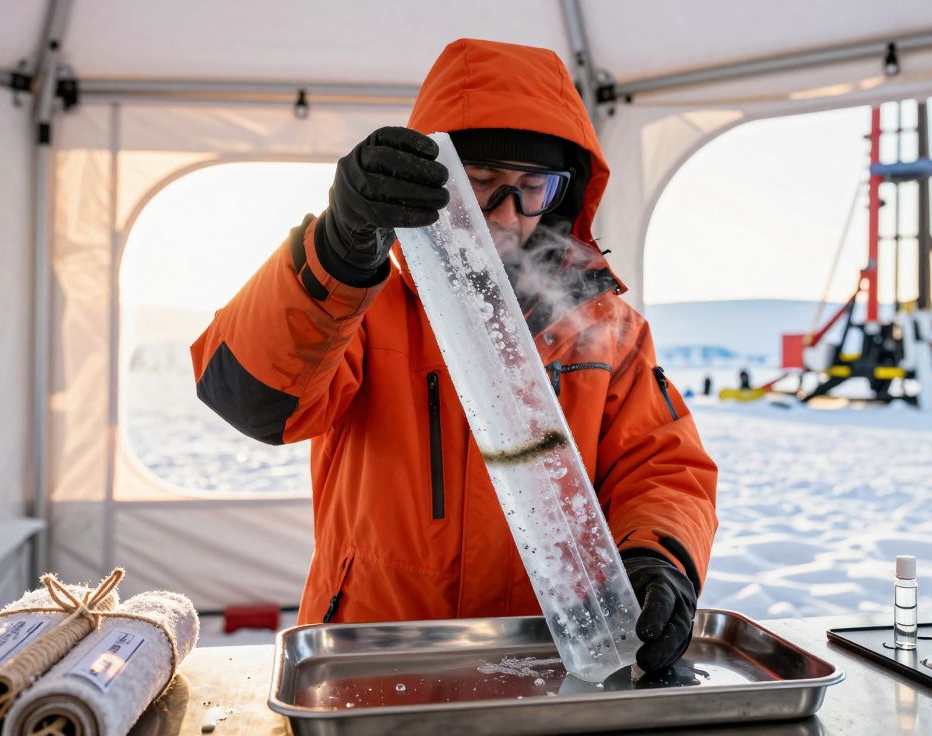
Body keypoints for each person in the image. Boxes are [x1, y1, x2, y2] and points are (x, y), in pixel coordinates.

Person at [190, 39, 718, 673]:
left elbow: (661, 468)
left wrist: (657, 556)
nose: (508, 215)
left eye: (533, 188)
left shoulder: (606, 331)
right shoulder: (360, 300)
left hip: (551, 661)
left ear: (564, 194)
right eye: (482, 184)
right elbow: (251, 398)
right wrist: (335, 249)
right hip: (373, 658)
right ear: (435, 179)